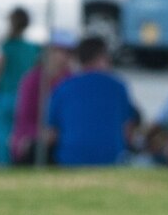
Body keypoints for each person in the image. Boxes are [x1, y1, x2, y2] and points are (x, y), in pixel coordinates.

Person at [44, 36, 140, 167]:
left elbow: (51, 132)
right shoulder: (118, 87)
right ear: (103, 57)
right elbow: (127, 130)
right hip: (111, 160)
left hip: (69, 160)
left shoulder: (63, 86)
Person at [0, 7, 41, 168]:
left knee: (2, 134)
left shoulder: (7, 46)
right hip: (28, 99)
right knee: (22, 133)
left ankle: (5, 164)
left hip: (7, 96)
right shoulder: (34, 48)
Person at [9, 33, 76, 166]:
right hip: (35, 138)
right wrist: (41, 133)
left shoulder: (72, 80)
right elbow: (24, 120)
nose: (65, 56)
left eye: (69, 52)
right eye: (60, 51)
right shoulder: (32, 80)